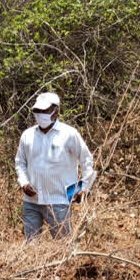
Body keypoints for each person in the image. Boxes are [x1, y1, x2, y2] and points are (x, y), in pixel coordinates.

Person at [14, 92, 96, 239]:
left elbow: (87, 160)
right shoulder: (27, 135)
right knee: (30, 245)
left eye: (44, 111)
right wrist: (24, 183)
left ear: (55, 111)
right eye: (37, 111)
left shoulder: (69, 134)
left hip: (59, 201)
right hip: (32, 201)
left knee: (63, 244)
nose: (40, 115)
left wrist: (85, 188)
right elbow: (20, 162)